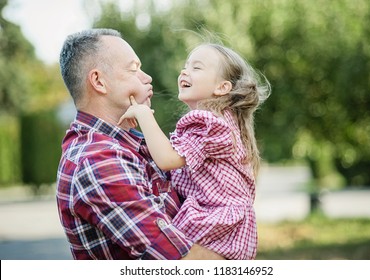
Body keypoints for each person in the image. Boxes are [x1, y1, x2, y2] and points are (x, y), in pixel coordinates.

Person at [56, 28, 224, 260]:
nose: (147, 78)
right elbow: (182, 261)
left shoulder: (131, 145)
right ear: (99, 81)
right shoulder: (98, 161)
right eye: (134, 69)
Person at [118, 42, 271, 259]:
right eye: (185, 66)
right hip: (228, 224)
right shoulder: (221, 120)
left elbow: (167, 159)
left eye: (196, 68)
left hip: (215, 221)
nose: (184, 72)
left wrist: (144, 114)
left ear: (222, 88)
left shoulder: (210, 122)